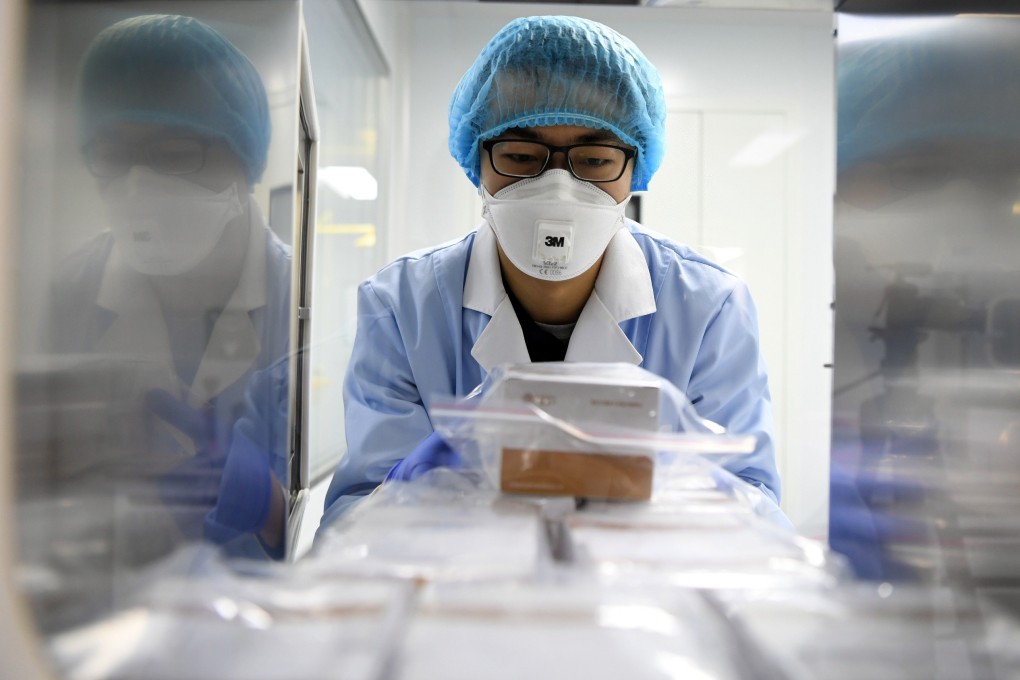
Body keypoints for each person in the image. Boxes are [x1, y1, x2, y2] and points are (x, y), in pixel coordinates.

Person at [321, 15, 783, 527]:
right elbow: (350, 526)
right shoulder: (401, 306)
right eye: (520, 154)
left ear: (636, 167)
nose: (559, 187)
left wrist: (687, 479)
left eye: (594, 159)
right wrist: (421, 482)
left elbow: (759, 517)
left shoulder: (709, 306)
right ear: (478, 159)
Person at [50, 14, 291, 557]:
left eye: (175, 152)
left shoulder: (301, 299)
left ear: (245, 159)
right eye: (113, 152)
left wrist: (270, 506)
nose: (138, 184)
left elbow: (339, 535)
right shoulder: (70, 293)